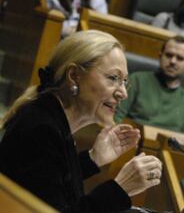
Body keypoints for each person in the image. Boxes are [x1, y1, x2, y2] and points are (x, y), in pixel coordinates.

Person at [0, 30, 163, 212]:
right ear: (74, 76)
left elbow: (49, 180)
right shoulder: (42, 130)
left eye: (125, 81)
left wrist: (93, 158)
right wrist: (121, 188)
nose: (123, 93)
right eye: (113, 78)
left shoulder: (51, 119)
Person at [115, 35, 184, 135]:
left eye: (179, 58)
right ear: (160, 56)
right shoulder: (137, 80)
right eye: (169, 55)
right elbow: (116, 117)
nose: (173, 61)